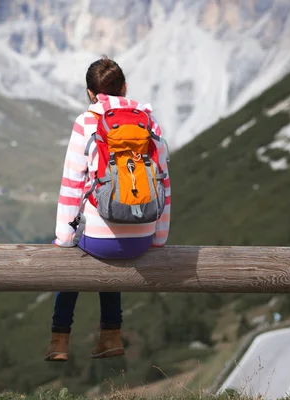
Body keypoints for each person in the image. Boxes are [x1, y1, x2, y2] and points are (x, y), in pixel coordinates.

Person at [44, 55, 171, 362]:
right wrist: (157, 239)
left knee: (79, 245)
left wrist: (64, 238)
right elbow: (164, 186)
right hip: (142, 237)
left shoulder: (86, 122)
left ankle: (59, 340)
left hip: (101, 238)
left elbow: (72, 184)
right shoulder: (149, 122)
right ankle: (111, 336)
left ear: (91, 93)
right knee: (112, 245)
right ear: (124, 87)